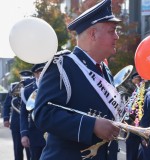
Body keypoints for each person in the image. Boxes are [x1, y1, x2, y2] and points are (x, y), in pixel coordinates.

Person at [33, 0, 123, 159]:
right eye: (112, 31)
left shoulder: (104, 70)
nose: (117, 36)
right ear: (93, 34)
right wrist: (91, 125)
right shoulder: (62, 65)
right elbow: (43, 114)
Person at [3, 71, 32, 160]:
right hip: (16, 124)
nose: (24, 80)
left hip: (30, 123)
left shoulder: (32, 87)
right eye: (23, 78)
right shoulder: (14, 87)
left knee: (30, 150)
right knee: (17, 149)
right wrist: (6, 118)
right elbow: (7, 104)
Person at [20, 63, 46, 160]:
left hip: (52, 132)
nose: (42, 74)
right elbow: (23, 114)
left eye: (44, 71)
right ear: (35, 74)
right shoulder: (27, 90)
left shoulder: (54, 86)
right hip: (35, 133)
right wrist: (24, 134)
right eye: (40, 72)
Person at [125, 72, 144, 160]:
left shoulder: (145, 93)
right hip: (131, 129)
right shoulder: (127, 94)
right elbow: (124, 111)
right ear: (132, 80)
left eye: (140, 79)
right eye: (137, 79)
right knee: (131, 155)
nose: (139, 81)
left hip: (143, 127)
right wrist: (130, 122)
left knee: (145, 154)